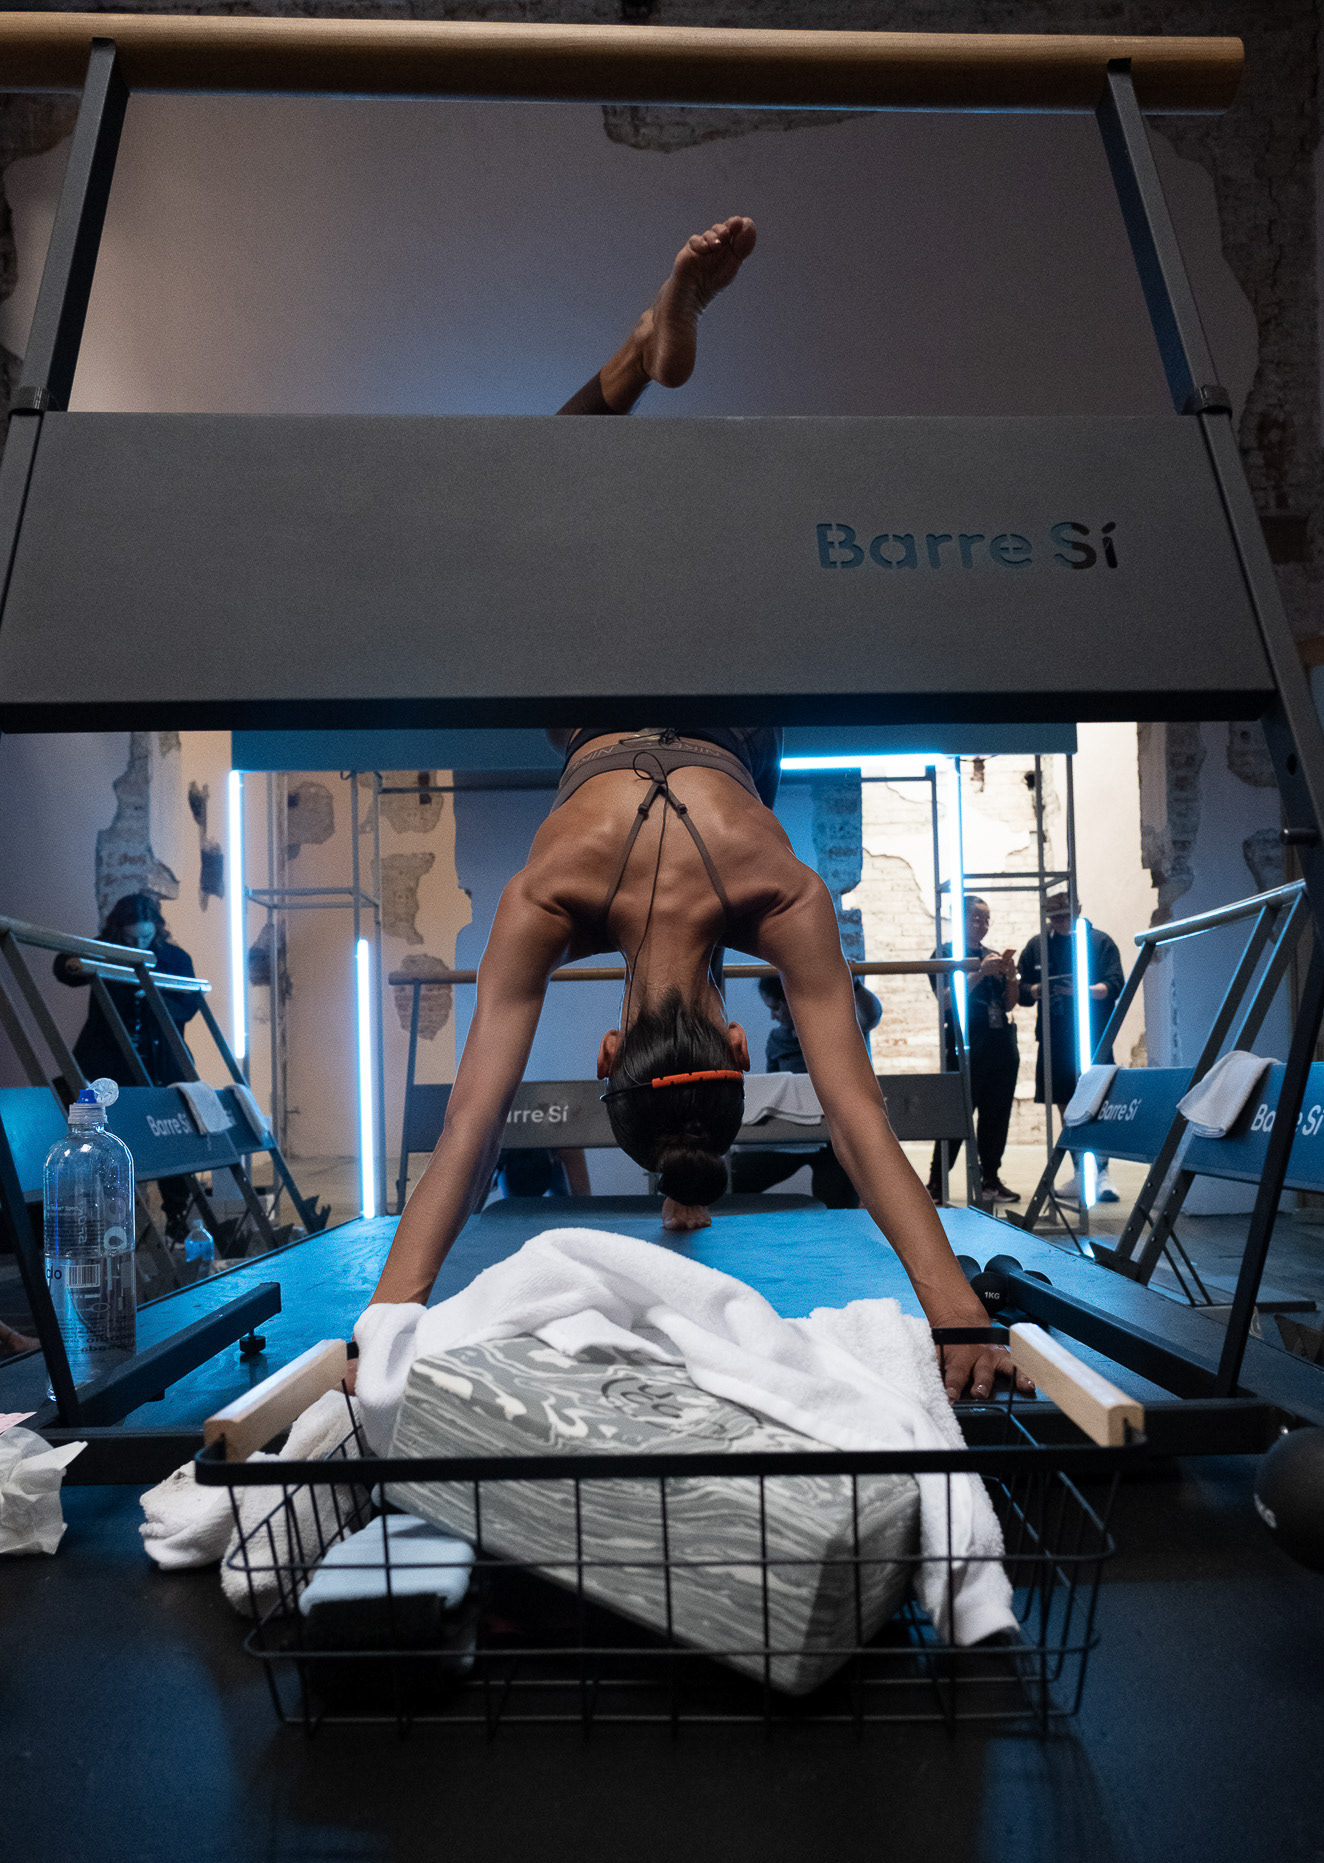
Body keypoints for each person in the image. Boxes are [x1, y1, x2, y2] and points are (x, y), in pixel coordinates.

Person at [363, 217, 1025, 1406]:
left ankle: (637, 360)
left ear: (735, 1047)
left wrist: (960, 1316)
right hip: (597, 686)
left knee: (541, 503)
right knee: (522, 498)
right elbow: (470, 1130)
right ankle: (629, 363)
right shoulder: (548, 895)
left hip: (731, 673)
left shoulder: (780, 893)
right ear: (608, 1052)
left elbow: (856, 1118)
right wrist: (384, 1324)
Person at [53, 892, 201, 1241]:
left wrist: (154, 999)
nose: (139, 944)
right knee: (107, 1137)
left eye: (145, 937)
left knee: (172, 1138)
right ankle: (111, 1218)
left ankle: (177, 1217)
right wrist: (99, 953)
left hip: (162, 1062)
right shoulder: (106, 950)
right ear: (119, 931)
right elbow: (64, 968)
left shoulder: (175, 958)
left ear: (157, 929)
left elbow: (189, 1005)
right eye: (131, 939)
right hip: (110, 1062)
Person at [729, 974, 883, 1207]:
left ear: (792, 999)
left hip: (834, 1136)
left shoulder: (838, 1028)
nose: (772, 1016)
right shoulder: (777, 1039)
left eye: (776, 1008)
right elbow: (773, 1087)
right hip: (791, 1135)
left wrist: (853, 982)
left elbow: (871, 1016)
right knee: (733, 1180)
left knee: (837, 1207)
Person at [1017, 888, 1125, 1202]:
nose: (1060, 922)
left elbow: (1115, 984)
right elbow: (1022, 990)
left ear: (1077, 910)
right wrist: (1037, 990)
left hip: (1092, 1037)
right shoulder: (1037, 946)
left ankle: (1102, 1173)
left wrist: (1081, 991)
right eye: (1054, 917)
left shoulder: (1099, 942)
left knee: (1098, 1104)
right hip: (1054, 1040)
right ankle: (1080, 1172)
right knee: (1067, 1106)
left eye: (1065, 916)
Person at [927, 896, 1020, 1206]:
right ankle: (937, 1183)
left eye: (986, 919)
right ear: (961, 920)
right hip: (966, 1041)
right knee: (956, 1113)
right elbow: (945, 1001)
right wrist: (979, 972)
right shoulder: (945, 954)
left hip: (1000, 1041)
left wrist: (1011, 976)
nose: (983, 925)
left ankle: (990, 1178)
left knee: (997, 1115)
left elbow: (1009, 1004)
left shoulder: (992, 955)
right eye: (976, 918)